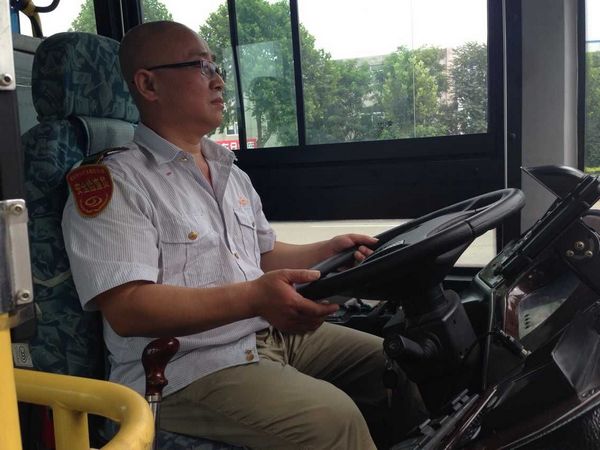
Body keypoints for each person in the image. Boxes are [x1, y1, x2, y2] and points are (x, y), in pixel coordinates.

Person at [63, 21, 424, 450]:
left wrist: (326, 250)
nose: (218, 80)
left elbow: (259, 255)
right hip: (183, 367)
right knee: (333, 420)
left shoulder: (226, 169)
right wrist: (255, 298)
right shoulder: (114, 181)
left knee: (400, 361)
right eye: (200, 66)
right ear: (148, 84)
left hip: (266, 335)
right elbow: (128, 308)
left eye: (215, 66)